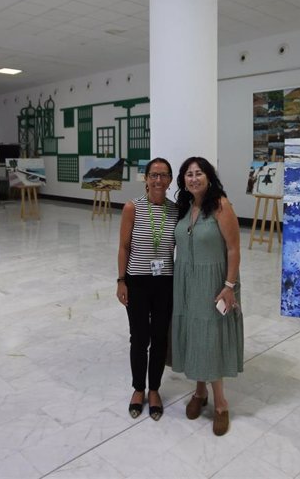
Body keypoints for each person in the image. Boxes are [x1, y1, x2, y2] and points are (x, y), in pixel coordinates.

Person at [172, 156, 244, 436]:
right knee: (193, 332)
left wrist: (229, 285)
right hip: (186, 281)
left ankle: (221, 404)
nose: (193, 178)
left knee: (211, 336)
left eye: (198, 173)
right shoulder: (186, 206)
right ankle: (199, 392)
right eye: (188, 174)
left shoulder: (221, 205)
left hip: (215, 282)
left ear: (209, 177)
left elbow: (234, 249)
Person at [117, 157, 178, 422]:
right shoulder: (133, 207)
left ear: (170, 180)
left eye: (163, 175)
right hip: (138, 282)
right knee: (139, 337)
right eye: (153, 175)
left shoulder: (176, 210)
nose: (158, 180)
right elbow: (124, 247)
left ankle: (155, 389)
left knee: (160, 337)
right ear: (146, 178)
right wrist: (121, 280)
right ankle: (138, 389)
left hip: (165, 282)